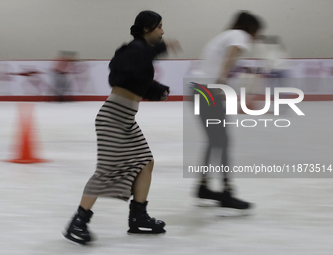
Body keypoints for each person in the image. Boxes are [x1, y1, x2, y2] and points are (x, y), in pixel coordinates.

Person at [63, 10, 180, 245]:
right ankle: (78, 222)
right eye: (159, 26)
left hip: (126, 119)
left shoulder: (139, 55)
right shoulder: (133, 50)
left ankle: (138, 217)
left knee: (146, 162)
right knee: (105, 171)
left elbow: (136, 81)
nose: (162, 31)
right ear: (147, 29)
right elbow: (123, 69)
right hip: (112, 119)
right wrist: (159, 48)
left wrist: (158, 91)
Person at [194, 11, 263, 210]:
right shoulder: (239, 36)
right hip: (209, 90)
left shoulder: (225, 35)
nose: (256, 37)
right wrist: (222, 79)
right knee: (222, 140)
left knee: (215, 140)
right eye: (257, 32)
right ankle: (226, 192)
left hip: (200, 89)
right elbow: (232, 53)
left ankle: (203, 186)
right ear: (251, 28)